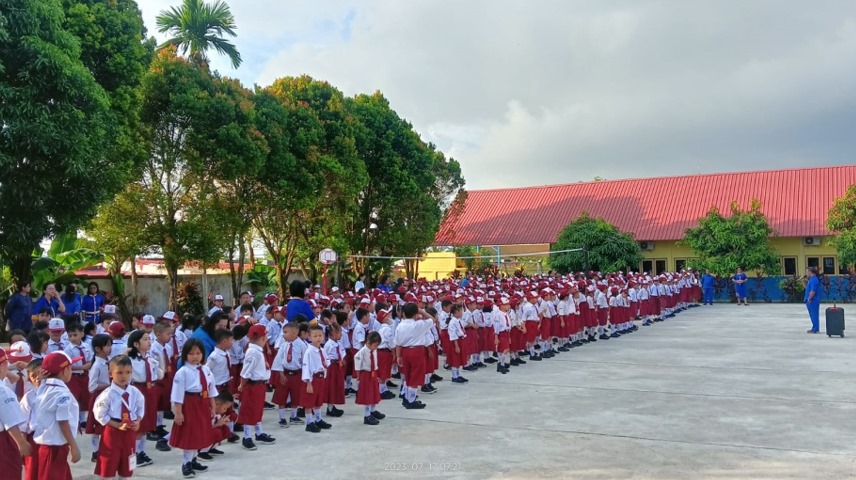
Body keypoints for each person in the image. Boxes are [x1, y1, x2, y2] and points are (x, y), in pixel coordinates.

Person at [168, 339, 216, 478]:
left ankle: (194, 459)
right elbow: (177, 394)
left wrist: (212, 407)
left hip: (203, 403)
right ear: (185, 355)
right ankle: (186, 463)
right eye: (191, 353)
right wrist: (178, 412)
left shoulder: (205, 369)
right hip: (190, 403)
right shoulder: (182, 372)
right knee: (191, 434)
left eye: (198, 353)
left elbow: (211, 389)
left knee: (200, 432)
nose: (195, 356)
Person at [92, 355, 144, 480]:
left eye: (128, 372)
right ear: (110, 374)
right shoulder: (107, 394)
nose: (124, 376)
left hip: (129, 431)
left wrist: (138, 421)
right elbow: (99, 414)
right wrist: (117, 425)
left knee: (127, 464)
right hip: (113, 431)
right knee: (108, 464)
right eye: (119, 372)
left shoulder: (135, 392)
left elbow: (140, 408)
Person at [33, 351, 81, 480]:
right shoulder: (62, 394)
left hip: (48, 447)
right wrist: (74, 445)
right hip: (54, 449)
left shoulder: (44, 388)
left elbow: (42, 385)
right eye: (70, 368)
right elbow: (63, 421)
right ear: (65, 370)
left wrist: (42, 379)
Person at [236, 324, 276, 450]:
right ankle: (247, 437)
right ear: (262, 338)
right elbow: (246, 371)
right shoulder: (253, 352)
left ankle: (259, 433)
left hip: (260, 385)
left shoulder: (257, 350)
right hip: (253, 385)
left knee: (258, 410)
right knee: (250, 411)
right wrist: (242, 384)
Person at [127, 330, 160, 468]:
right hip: (137, 390)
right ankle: (132, 453)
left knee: (147, 423)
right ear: (136, 344)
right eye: (145, 339)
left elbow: (157, 374)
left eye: (149, 339)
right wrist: (125, 353)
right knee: (137, 424)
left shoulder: (151, 360)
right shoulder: (130, 360)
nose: (149, 342)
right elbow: (116, 364)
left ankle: (141, 451)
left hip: (149, 390)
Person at [0, 347, 32, 479]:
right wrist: (21, 443)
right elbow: (11, 421)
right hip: (3, 441)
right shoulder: (3, 391)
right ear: (4, 365)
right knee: (9, 473)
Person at [271, 322, 306, 429]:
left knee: (296, 396)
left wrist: (305, 375)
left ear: (294, 333)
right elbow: (279, 359)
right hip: (285, 374)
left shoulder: (302, 345)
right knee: (282, 397)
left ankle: (293, 416)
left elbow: (305, 360)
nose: (283, 335)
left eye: (286, 332)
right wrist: (280, 373)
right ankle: (282, 418)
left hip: (297, 374)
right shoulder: (284, 345)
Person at [301, 325, 331, 433]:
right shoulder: (309, 352)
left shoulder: (322, 350)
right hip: (312, 379)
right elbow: (306, 367)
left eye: (320, 335)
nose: (318, 338)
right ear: (309, 337)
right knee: (309, 401)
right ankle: (309, 422)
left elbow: (326, 361)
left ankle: (318, 419)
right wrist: (308, 382)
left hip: (321, 378)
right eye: (315, 336)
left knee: (318, 400)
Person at [355, 331, 385, 425]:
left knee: (374, 394)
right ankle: (367, 415)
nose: (376, 347)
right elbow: (357, 364)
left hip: (373, 373)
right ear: (368, 342)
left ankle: (373, 410)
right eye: (375, 345)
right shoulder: (362, 352)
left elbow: (375, 362)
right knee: (367, 396)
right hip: (366, 374)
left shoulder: (374, 350)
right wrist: (359, 376)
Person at [804, 267, 822, 334]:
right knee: (812, 314)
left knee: (814, 314)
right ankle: (815, 328)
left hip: (813, 300)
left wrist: (809, 298)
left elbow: (813, 291)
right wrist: (803, 282)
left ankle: (815, 329)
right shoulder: (811, 280)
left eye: (806, 272)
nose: (806, 274)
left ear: (810, 272)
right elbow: (808, 289)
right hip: (811, 300)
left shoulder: (814, 280)